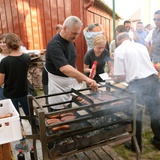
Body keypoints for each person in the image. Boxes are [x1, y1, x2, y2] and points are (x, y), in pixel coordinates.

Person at [114, 32, 160, 151]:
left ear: (119, 41)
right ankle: (158, 141)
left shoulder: (120, 50)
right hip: (154, 81)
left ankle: (136, 145)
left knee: (135, 115)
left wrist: (115, 77)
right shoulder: (141, 46)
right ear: (129, 38)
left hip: (138, 85)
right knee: (155, 112)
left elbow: (121, 75)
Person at [45, 16, 98, 110]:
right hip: (56, 83)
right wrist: (86, 79)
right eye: (74, 33)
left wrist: (77, 76)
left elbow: (71, 62)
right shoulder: (55, 45)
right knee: (57, 113)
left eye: (77, 34)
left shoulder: (71, 42)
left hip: (67, 83)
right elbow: (64, 68)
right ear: (65, 28)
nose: (75, 36)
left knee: (68, 109)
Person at [0, 33, 31, 151]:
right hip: (23, 91)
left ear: (8, 45)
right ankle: (40, 135)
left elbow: (1, 82)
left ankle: (23, 142)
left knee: (16, 118)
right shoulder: (26, 58)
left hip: (10, 94)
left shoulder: (5, 62)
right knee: (30, 115)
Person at [42, 24, 63, 107]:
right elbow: (64, 67)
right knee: (50, 99)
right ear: (58, 31)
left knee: (62, 100)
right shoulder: (54, 44)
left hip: (60, 78)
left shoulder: (68, 43)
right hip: (49, 76)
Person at [0, 34, 9, 99]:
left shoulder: (14, 54)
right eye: (0, 42)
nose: (2, 44)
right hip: (3, 87)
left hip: (16, 87)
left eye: (4, 42)